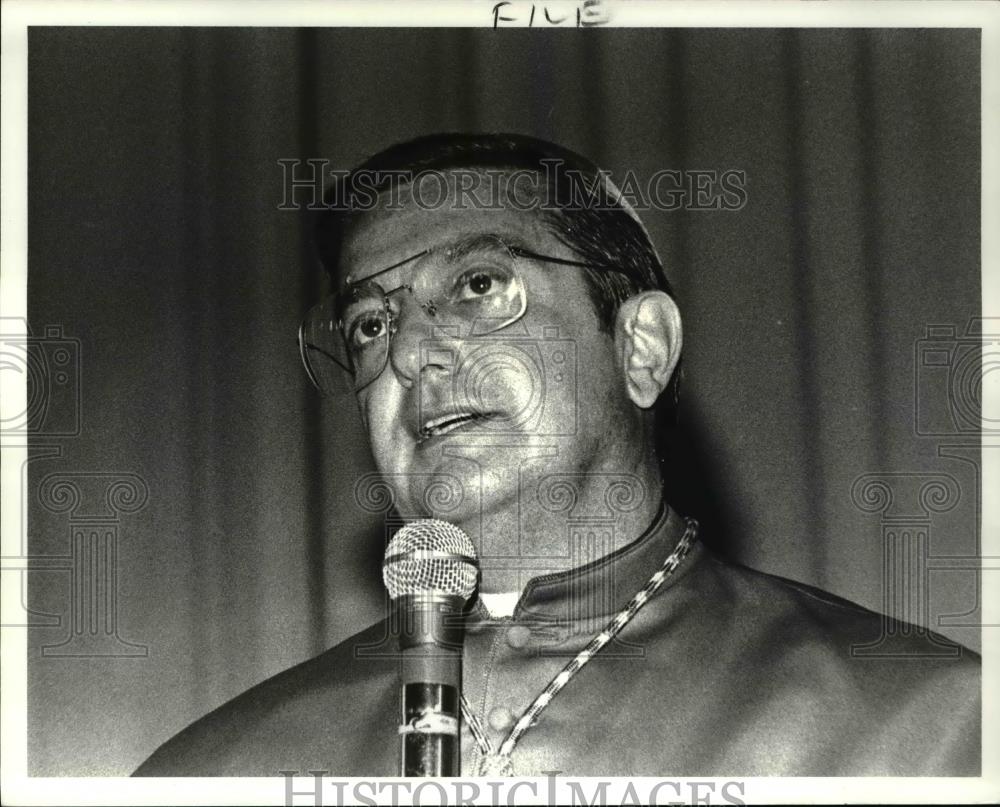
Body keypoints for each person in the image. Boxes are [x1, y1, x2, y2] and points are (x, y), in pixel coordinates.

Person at [134, 133, 980, 777]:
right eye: (370, 323)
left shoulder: (933, 726)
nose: (408, 354)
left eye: (475, 286)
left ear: (640, 348)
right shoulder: (214, 767)